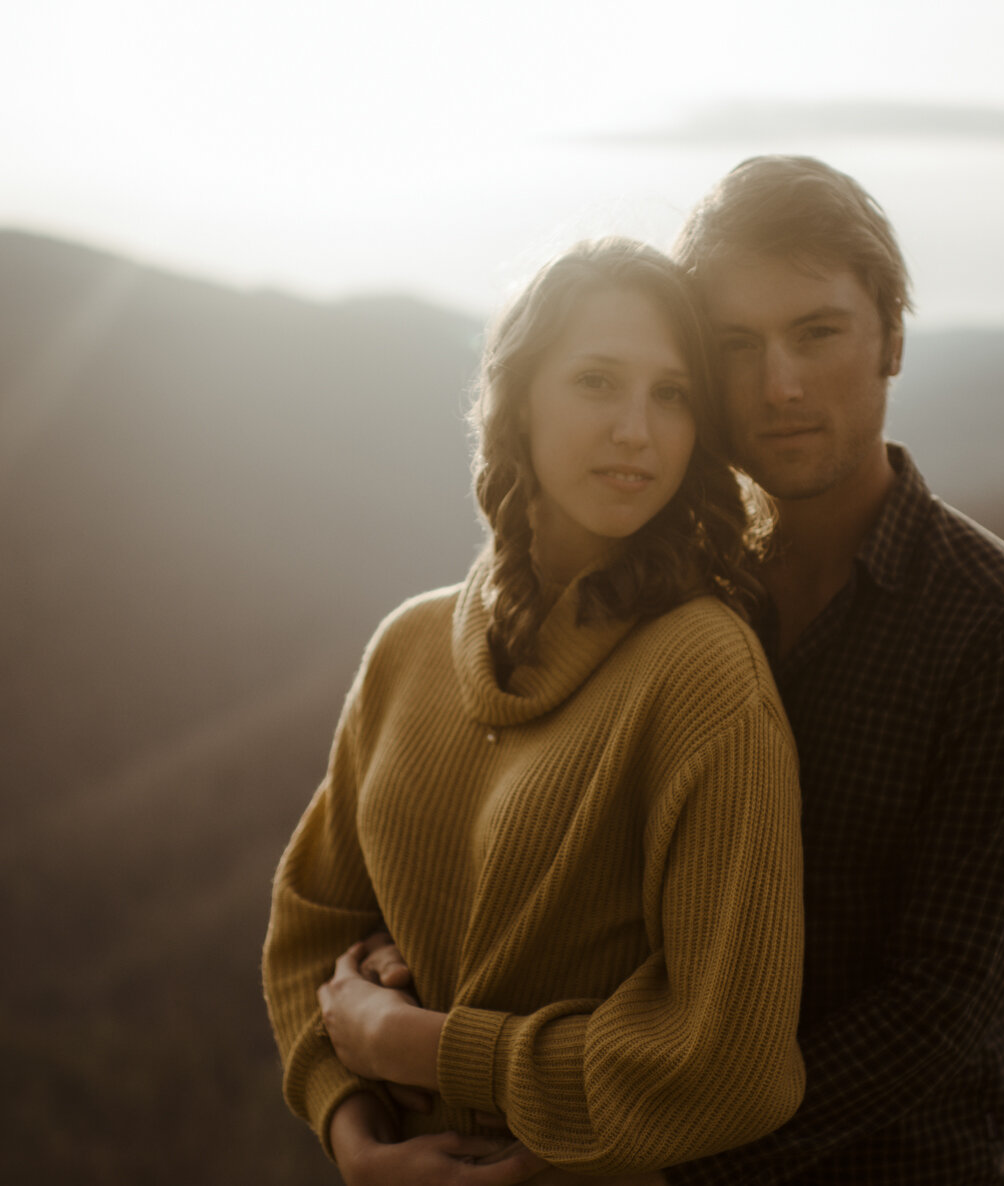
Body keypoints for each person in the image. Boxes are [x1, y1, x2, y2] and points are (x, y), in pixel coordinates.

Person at [343, 156, 1004, 1183]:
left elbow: (935, 1004)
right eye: (734, 346)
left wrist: (641, 1163)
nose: (778, 385)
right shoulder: (665, 583)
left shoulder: (1002, 629)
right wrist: (395, 970)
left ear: (893, 339)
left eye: (817, 333)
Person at [263, 238, 808, 1186]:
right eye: (598, 382)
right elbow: (313, 920)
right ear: (517, 400)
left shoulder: (704, 671)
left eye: (671, 394)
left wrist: (423, 1047)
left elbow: (731, 1060)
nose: (637, 430)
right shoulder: (409, 645)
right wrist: (352, 1135)